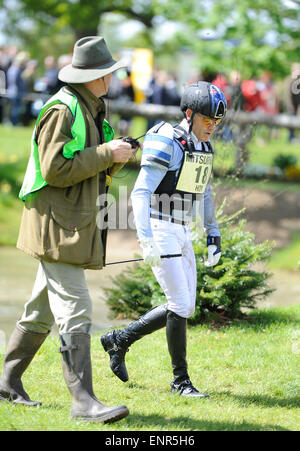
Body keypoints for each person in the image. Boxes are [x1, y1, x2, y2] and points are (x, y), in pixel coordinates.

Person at [0, 36, 138, 423]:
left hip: (68, 220)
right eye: (109, 71)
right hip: (57, 223)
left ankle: (7, 383)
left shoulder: (90, 106)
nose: (113, 77)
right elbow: (55, 169)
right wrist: (106, 154)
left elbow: (87, 164)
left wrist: (116, 156)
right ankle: (83, 403)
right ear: (95, 76)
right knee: (76, 308)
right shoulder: (63, 110)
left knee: (39, 312)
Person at [101, 81, 227, 397]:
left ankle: (120, 340)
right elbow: (141, 192)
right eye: (207, 118)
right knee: (181, 304)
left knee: (184, 305)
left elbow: (205, 191)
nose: (213, 126)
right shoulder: (166, 142)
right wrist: (146, 241)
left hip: (183, 229)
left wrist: (213, 233)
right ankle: (180, 382)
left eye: (217, 120)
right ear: (189, 113)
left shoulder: (204, 146)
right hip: (160, 227)